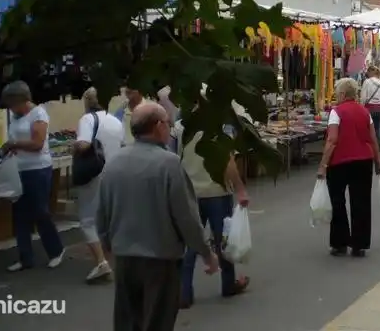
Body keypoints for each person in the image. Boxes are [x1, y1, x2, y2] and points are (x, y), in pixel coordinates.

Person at [97, 102, 217, 331]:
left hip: (125, 258)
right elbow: (187, 217)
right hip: (159, 260)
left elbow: (102, 212)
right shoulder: (168, 164)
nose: (170, 129)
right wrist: (206, 253)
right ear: (159, 126)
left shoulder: (114, 163)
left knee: (127, 321)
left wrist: (107, 247)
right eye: (168, 124)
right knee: (157, 321)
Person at [176, 98, 250, 308]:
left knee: (190, 243)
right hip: (217, 192)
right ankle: (228, 284)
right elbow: (228, 162)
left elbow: (175, 159)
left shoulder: (181, 128)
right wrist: (240, 189)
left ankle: (184, 293)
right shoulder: (221, 130)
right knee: (222, 241)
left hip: (190, 193)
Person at [1, 81, 65, 272]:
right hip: (19, 169)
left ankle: (56, 250)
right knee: (19, 214)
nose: (11, 108)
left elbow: (37, 143)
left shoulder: (38, 114)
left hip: (38, 169)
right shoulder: (15, 117)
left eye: (12, 103)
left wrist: (14, 144)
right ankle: (25, 257)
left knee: (40, 211)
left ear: (21, 100)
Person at [317, 78, 380, 257]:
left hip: (339, 161)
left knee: (337, 201)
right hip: (363, 160)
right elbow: (372, 138)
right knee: (361, 201)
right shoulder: (365, 112)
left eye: (337, 93)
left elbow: (332, 140)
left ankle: (340, 242)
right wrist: (378, 161)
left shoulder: (336, 112)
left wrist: (323, 165)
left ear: (343, 94)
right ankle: (359, 244)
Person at [74, 88, 124, 283]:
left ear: (87, 101)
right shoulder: (115, 121)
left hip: (94, 174)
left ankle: (101, 263)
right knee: (110, 217)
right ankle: (115, 258)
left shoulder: (87, 120)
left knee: (88, 220)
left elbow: (84, 144)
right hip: (114, 173)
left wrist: (75, 146)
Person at [360, 66, 380, 152]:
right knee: (378, 131)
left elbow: (363, 98)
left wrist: (361, 108)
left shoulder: (367, 82)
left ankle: (369, 150)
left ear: (370, 72)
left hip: (369, 109)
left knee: (368, 131)